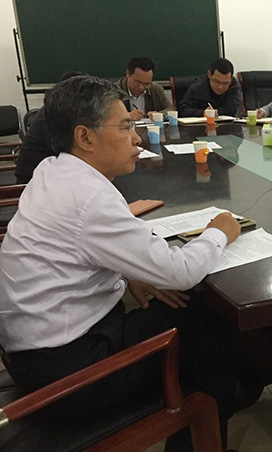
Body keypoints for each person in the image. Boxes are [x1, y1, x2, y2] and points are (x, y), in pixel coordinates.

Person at [0, 76, 244, 451]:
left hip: (33, 354)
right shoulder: (91, 197)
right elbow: (181, 272)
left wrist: (128, 272)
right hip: (69, 377)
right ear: (85, 137)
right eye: (125, 127)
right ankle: (220, 402)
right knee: (201, 320)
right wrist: (219, 232)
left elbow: (75, 250)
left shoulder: (52, 170)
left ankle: (232, 387)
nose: (136, 139)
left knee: (184, 312)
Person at [14, 71, 86, 184]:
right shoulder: (53, 116)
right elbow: (75, 151)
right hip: (32, 182)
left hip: (49, 176)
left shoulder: (58, 110)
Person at [114, 57, 173, 121]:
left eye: (146, 84)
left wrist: (159, 115)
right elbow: (106, 115)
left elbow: (171, 109)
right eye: (138, 82)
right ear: (128, 74)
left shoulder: (156, 89)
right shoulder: (113, 91)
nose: (141, 87)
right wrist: (126, 116)